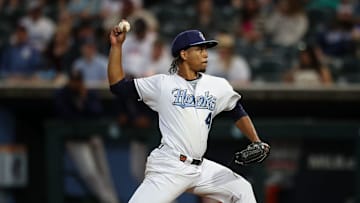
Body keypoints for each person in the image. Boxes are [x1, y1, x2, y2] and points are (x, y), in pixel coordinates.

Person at [107, 25, 270, 203]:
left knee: (242, 190)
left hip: (200, 168)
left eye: (205, 49)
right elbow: (118, 86)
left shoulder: (217, 86)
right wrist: (116, 47)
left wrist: (256, 140)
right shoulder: (163, 84)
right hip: (170, 167)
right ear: (184, 54)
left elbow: (237, 110)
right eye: (199, 49)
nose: (205, 54)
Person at [54, 70, 119, 203]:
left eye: (78, 81)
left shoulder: (88, 93)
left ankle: (112, 200)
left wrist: (84, 98)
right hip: (75, 139)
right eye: (74, 81)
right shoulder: (63, 94)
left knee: (104, 173)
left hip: (92, 137)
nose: (76, 84)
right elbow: (65, 115)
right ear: (70, 81)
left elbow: (97, 112)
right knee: (90, 174)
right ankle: (109, 200)